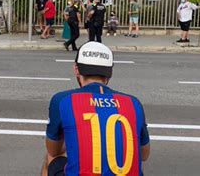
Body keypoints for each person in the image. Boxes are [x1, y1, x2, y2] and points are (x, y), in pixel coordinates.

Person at [42, 42, 150, 176]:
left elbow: (53, 150)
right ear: (110, 73)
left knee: (51, 158)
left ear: (76, 69)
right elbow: (144, 154)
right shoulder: (134, 103)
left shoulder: (62, 100)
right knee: (138, 163)